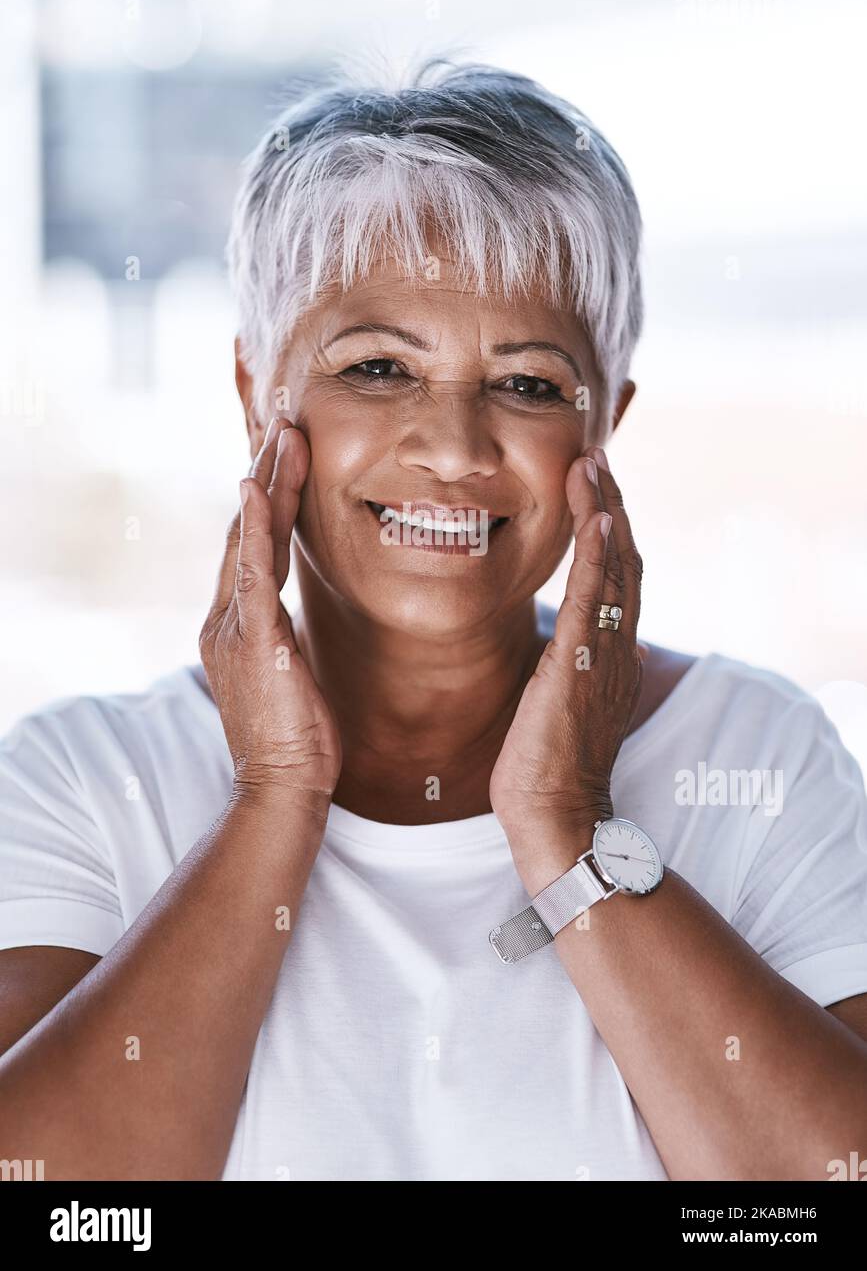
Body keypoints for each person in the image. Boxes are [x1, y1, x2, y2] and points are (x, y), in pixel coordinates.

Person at [1, 59, 865, 1182]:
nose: (452, 448)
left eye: (530, 385)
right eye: (377, 366)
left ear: (608, 428)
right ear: (257, 393)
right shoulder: (83, 779)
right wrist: (274, 794)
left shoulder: (758, 756)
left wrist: (569, 828)